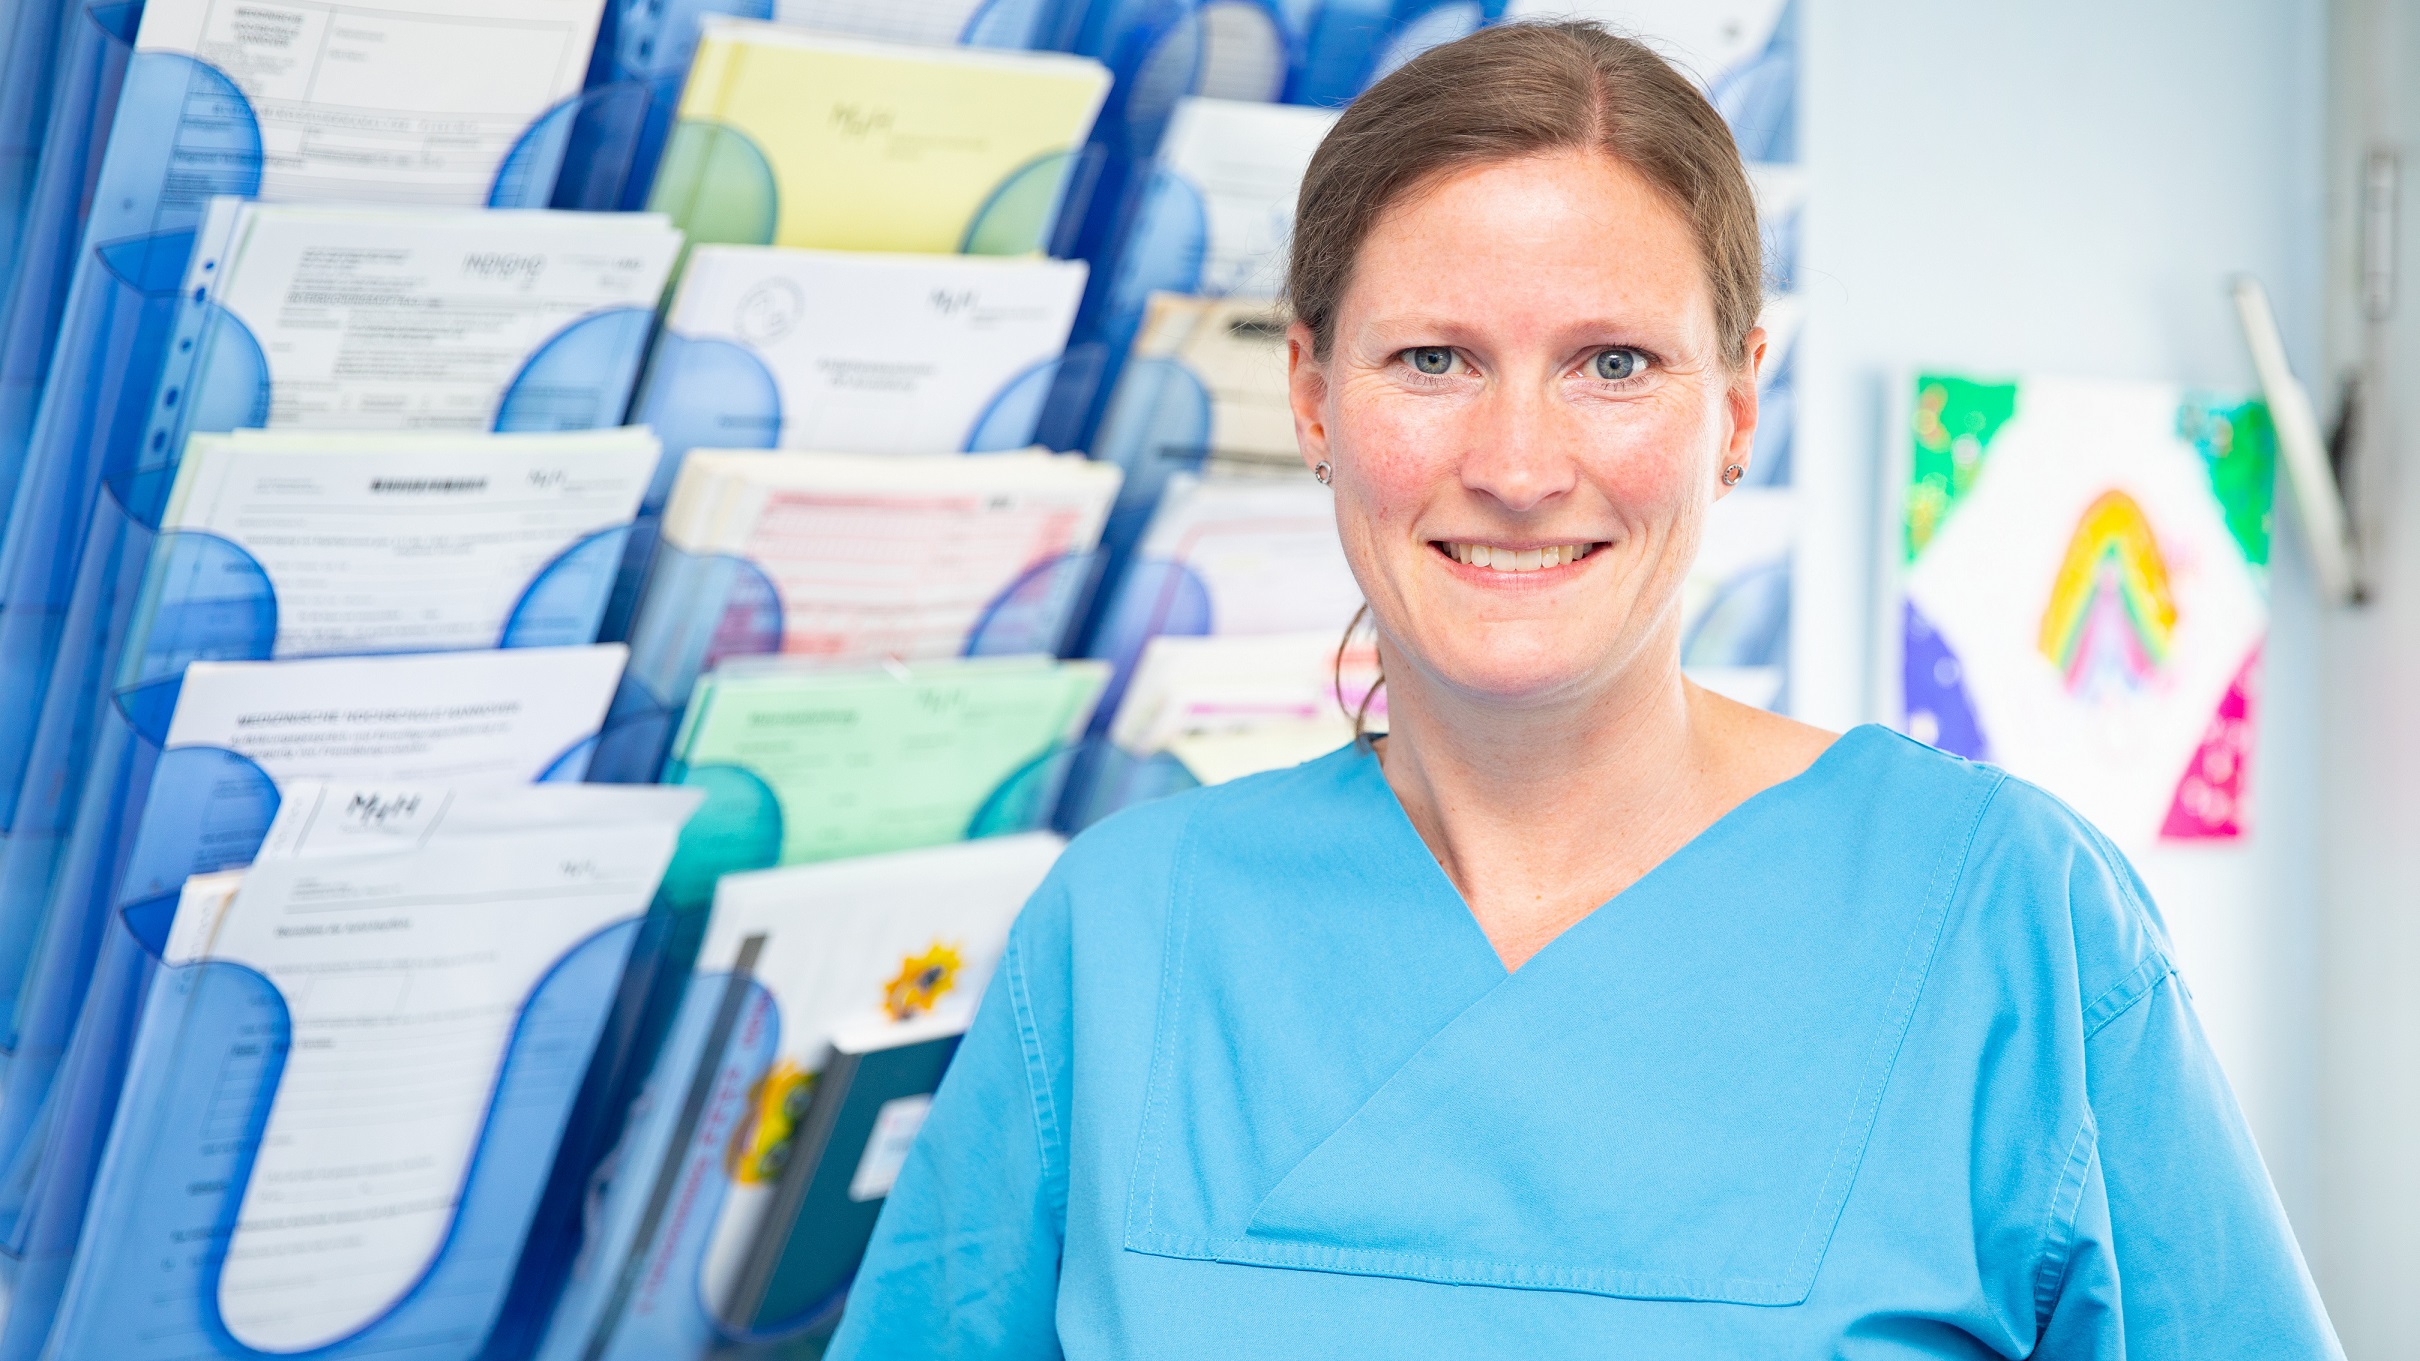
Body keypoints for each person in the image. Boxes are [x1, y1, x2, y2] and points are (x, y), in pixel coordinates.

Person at [828, 21, 2341, 1358]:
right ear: (1310, 396)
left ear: (1737, 410)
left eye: (1613, 363)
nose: (1519, 463)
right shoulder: (1120, 940)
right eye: (1432, 358)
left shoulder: (2009, 923)